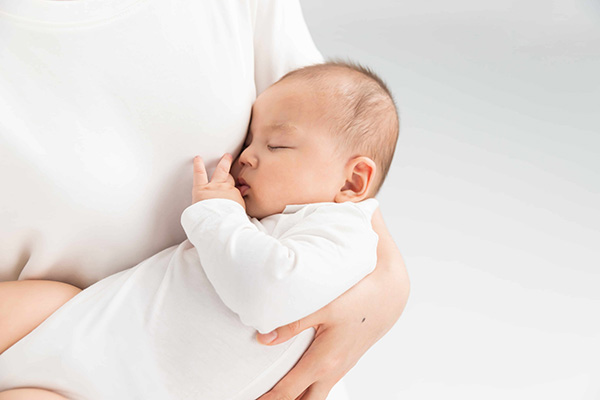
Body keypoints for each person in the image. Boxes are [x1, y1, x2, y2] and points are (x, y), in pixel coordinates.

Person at [0, 1, 410, 399]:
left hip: (113, 386)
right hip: (86, 315)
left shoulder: (343, 237)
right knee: (41, 300)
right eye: (249, 138)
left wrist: (217, 213)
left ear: (355, 181)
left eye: (277, 145)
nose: (247, 155)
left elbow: (267, 293)